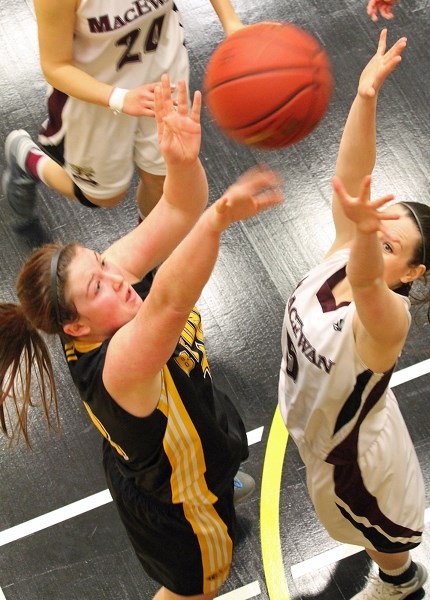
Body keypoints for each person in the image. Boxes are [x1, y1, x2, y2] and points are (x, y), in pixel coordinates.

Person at [0, 75, 283, 599]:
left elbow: (176, 209)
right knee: (195, 588)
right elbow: (172, 300)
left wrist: (181, 161)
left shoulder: (103, 290)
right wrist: (216, 219)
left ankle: (218, 486)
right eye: (98, 285)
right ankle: (209, 505)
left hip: (177, 447)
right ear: (77, 328)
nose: (117, 278)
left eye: (103, 262)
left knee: (212, 453)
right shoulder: (120, 367)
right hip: (179, 508)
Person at [278, 30, 429, 599]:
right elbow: (349, 178)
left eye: (392, 245)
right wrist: (364, 98)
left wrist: (367, 233)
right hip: (318, 426)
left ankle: (401, 582)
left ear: (413, 273)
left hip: (356, 460)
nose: (372, 236)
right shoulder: (345, 252)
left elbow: (366, 279)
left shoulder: (389, 317)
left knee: (378, 533)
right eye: (376, 228)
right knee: (354, 529)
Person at [2, 0, 244, 231]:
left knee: (165, 180)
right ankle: (27, 158)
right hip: (95, 98)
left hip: (162, 77)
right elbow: (55, 67)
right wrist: (119, 98)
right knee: (104, 196)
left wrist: (231, 22)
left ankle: (150, 261)